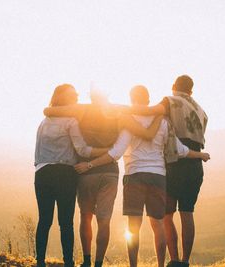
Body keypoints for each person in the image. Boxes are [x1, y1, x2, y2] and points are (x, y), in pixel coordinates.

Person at [75, 86, 210, 267]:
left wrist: (90, 164)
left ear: (132, 100)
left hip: (134, 176)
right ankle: (161, 265)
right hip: (158, 176)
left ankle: (133, 265)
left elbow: (116, 153)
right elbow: (180, 150)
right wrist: (200, 155)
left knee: (133, 227)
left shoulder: (129, 121)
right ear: (148, 100)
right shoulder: (163, 121)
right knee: (158, 225)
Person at [43, 89, 163, 267]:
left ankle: (86, 260)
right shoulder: (118, 112)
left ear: (91, 96)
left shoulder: (81, 109)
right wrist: (160, 111)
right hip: (109, 172)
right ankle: (99, 262)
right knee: (104, 220)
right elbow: (146, 130)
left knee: (86, 217)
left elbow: (48, 111)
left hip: (86, 170)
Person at [128, 76, 208, 267]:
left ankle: (173, 260)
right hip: (194, 164)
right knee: (187, 212)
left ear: (174, 87)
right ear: (192, 90)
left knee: (167, 214)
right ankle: (185, 261)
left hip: (174, 162)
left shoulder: (170, 101)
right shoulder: (201, 111)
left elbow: (148, 111)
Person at [34, 84, 109, 267]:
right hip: (65, 174)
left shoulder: (44, 122)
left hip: (42, 173)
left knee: (44, 220)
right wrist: (107, 151)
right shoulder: (71, 121)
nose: (76, 97)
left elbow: (37, 153)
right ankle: (68, 261)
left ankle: (40, 262)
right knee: (66, 222)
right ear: (65, 99)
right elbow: (82, 149)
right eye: (73, 95)